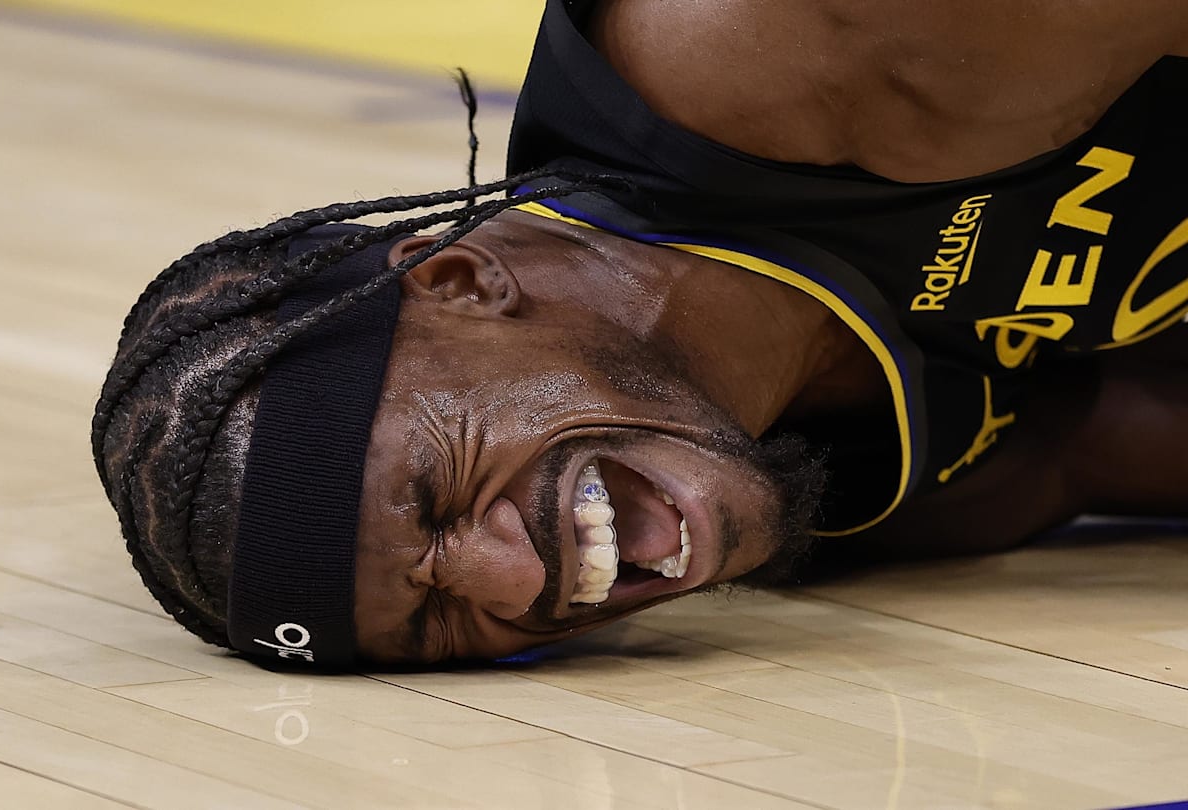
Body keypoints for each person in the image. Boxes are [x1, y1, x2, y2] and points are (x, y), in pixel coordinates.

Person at [91, 0, 1188, 669]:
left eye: (434, 493)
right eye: (441, 622)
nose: (514, 585)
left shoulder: (797, 52)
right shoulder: (865, 495)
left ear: (459, 280)